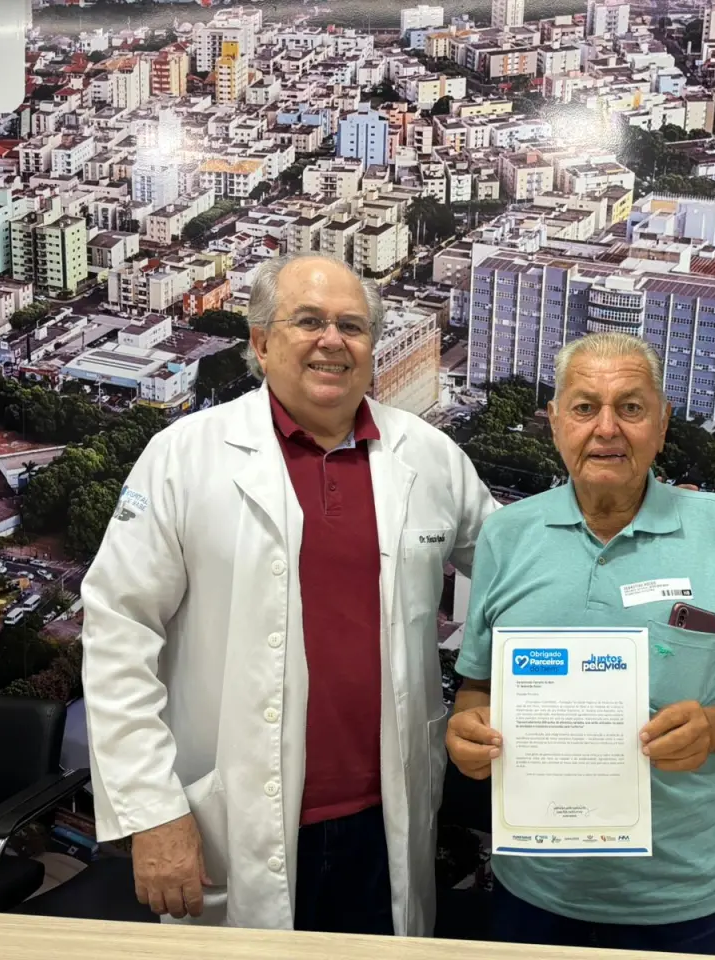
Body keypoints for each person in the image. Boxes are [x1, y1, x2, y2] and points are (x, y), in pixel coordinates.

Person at [80, 254, 497, 935]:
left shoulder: (430, 456)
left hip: (385, 819)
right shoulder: (184, 456)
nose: (332, 340)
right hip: (232, 822)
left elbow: (517, 577)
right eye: (308, 321)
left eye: (352, 326)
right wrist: (151, 810)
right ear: (262, 342)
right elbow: (118, 632)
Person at [447, 332, 715, 956]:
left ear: (661, 425)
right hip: (535, 892)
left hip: (686, 897)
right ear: (556, 422)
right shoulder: (506, 536)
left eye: (631, 408)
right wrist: (466, 729)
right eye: (585, 408)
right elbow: (477, 686)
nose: (606, 429)